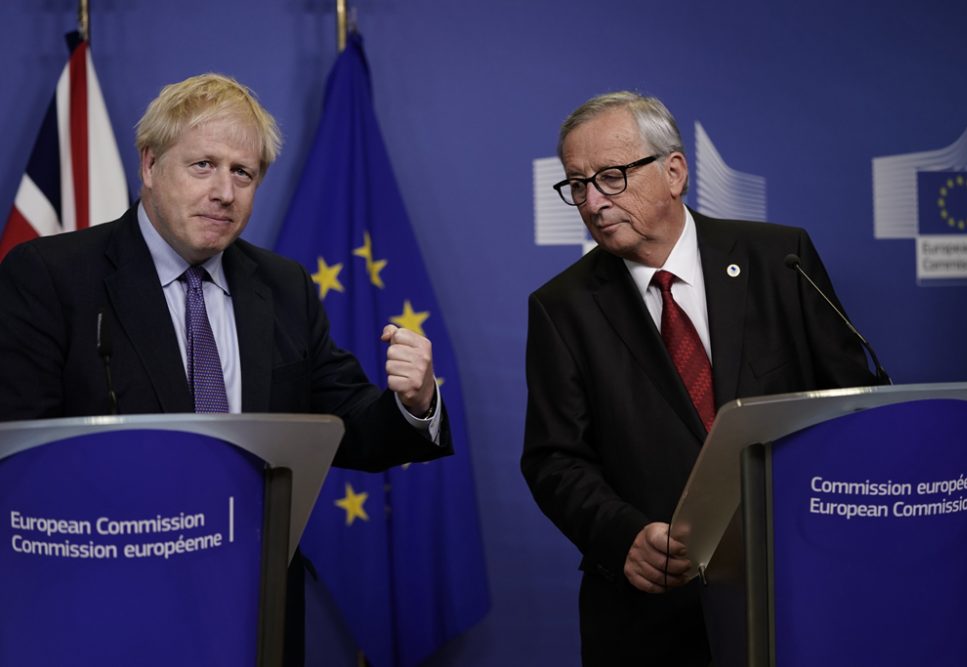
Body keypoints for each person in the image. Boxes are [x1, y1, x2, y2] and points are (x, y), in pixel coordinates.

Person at [0, 73, 450, 665]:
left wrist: (414, 403)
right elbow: (22, 462)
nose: (224, 192)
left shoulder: (283, 286)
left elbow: (345, 419)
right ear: (150, 165)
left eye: (243, 173)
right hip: (107, 601)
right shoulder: (51, 276)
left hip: (253, 604)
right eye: (203, 165)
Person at [521, 91, 877, 665]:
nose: (592, 201)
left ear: (674, 172)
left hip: (800, 585)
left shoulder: (781, 260)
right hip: (653, 612)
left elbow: (852, 403)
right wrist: (623, 537)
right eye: (577, 184)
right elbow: (553, 459)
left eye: (611, 177)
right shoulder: (561, 307)